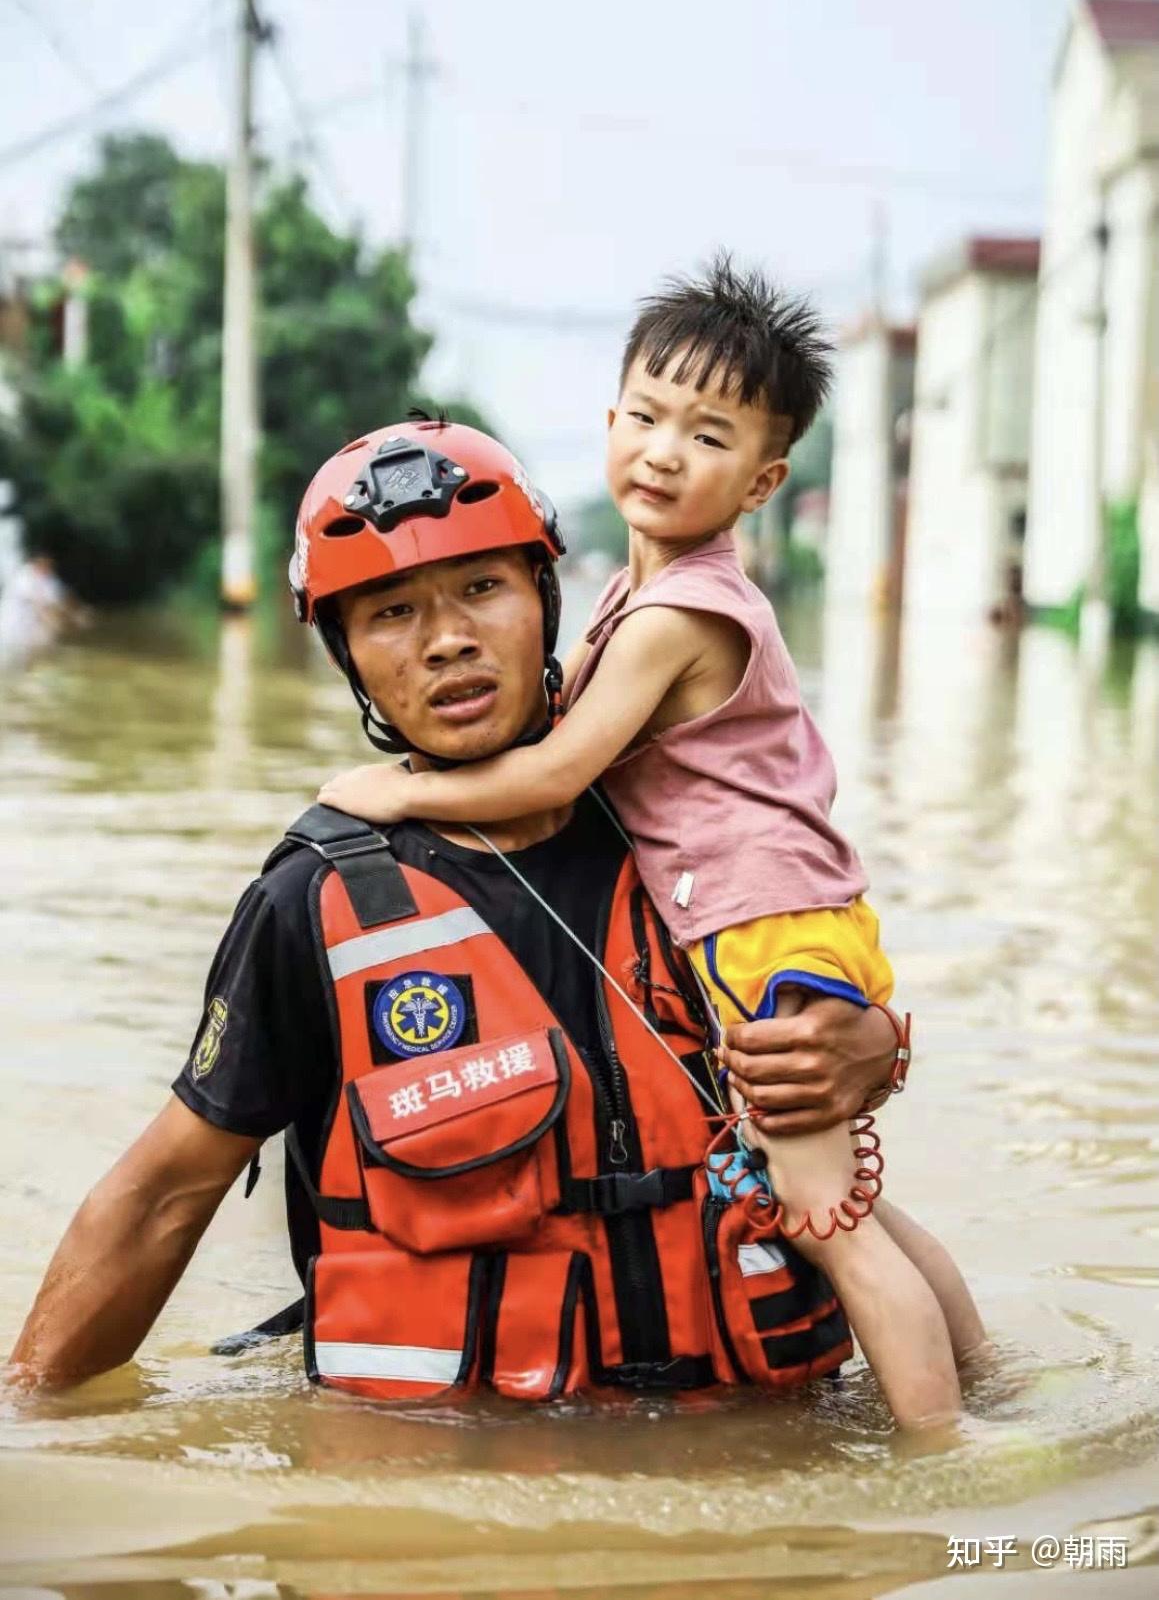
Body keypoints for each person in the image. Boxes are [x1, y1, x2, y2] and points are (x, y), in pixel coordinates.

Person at [10, 418, 908, 1404]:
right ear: (347, 652)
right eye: (391, 610)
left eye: (483, 588)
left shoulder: (687, 822)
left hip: (747, 1453)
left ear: (544, 596)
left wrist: (873, 1046)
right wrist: (32, 1419)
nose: (448, 640)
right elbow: (163, 1196)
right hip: (460, 1469)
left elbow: (824, 972)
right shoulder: (312, 899)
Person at [317, 260, 986, 1426]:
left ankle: (953, 1449)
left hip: (762, 928)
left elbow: (561, 764)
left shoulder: (685, 610)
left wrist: (398, 793)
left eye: (710, 434)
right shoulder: (644, 598)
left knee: (823, 1220)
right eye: (646, 416)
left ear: (765, 478)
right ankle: (985, 1374)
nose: (666, 451)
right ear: (608, 421)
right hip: (780, 922)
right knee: (839, 1199)